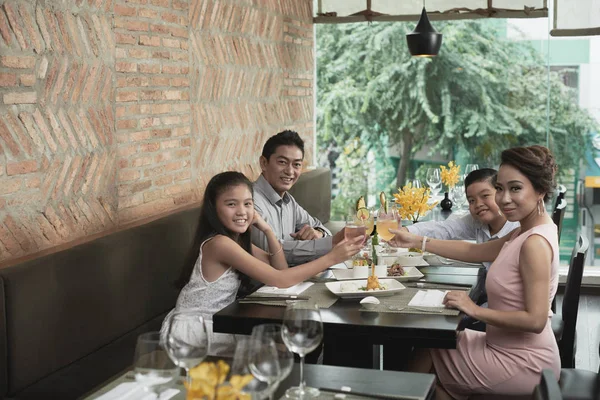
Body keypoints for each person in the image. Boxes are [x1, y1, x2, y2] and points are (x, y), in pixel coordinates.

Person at [388, 145, 560, 399]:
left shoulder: (534, 242)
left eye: (515, 188)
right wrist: (417, 241)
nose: (504, 198)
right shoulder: (527, 230)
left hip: (523, 362)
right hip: (505, 347)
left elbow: (535, 321)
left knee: (430, 351)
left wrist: (475, 309)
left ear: (540, 191)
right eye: (500, 188)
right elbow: (475, 252)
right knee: (433, 346)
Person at [160, 171, 363, 356]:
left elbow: (280, 268)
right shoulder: (220, 244)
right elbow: (281, 279)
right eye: (231, 204)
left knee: (296, 343)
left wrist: (266, 229)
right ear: (214, 208)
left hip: (217, 324)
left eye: (248, 204)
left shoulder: (236, 241)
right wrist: (332, 258)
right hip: (195, 331)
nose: (241, 211)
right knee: (292, 345)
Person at [252, 130, 345, 265]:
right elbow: (273, 252)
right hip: (262, 284)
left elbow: (319, 226)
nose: (290, 171)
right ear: (264, 163)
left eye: (296, 164)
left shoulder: (288, 201)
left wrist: (319, 234)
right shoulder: (250, 201)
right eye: (282, 162)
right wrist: (330, 243)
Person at [400, 168, 519, 269]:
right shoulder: (477, 222)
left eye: (485, 196)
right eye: (471, 200)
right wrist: (407, 231)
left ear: (501, 194)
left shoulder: (518, 229)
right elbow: (444, 228)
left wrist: (417, 241)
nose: (478, 204)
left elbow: (472, 251)